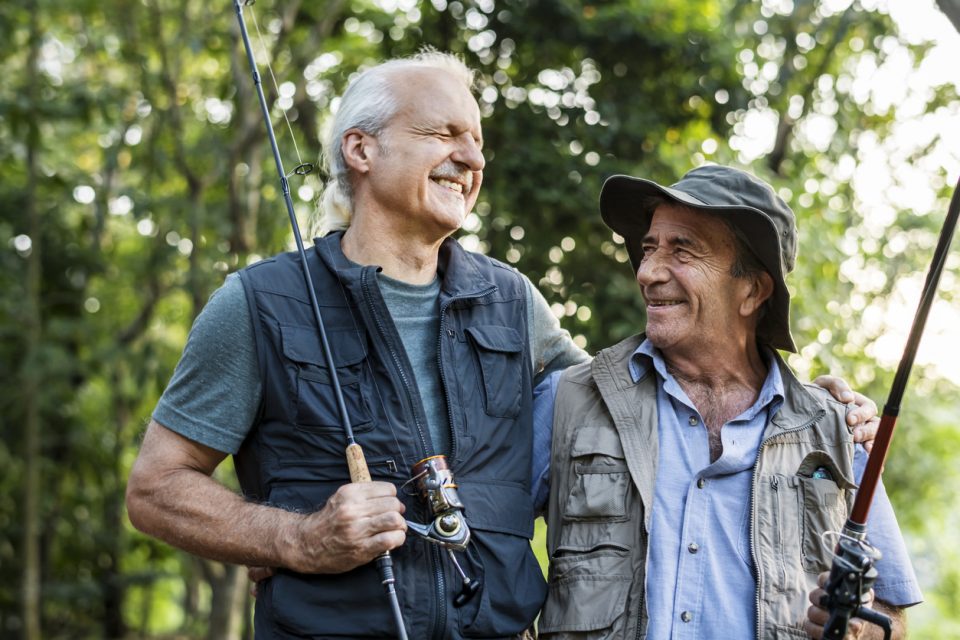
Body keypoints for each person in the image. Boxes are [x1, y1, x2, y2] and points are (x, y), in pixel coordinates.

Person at [125, 50, 879, 639]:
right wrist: (293, 540)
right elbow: (157, 490)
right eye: (443, 132)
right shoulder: (257, 304)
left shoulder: (512, 300)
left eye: (477, 140)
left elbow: (639, 410)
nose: (470, 156)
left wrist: (816, 406)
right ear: (361, 148)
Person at [535, 165, 921, 639]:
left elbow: (894, 617)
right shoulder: (570, 399)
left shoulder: (840, 429)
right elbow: (478, 547)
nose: (648, 272)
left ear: (753, 290)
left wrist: (862, 630)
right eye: (650, 248)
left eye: (682, 250)